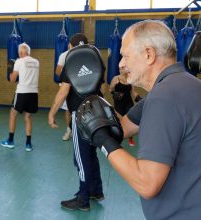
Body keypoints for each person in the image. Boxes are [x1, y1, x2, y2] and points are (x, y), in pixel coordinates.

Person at [79, 20, 201, 219]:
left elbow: (147, 183)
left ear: (149, 54)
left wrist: (103, 141)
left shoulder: (164, 98)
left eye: (125, 55)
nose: (120, 64)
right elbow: (122, 128)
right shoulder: (186, 84)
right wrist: (92, 95)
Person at [48, 33, 104, 211]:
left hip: (80, 114)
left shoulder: (71, 61)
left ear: (71, 46)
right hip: (96, 112)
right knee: (91, 154)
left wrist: (52, 113)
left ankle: (83, 198)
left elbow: (64, 91)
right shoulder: (96, 57)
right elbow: (101, 85)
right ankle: (96, 191)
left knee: (80, 158)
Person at [1, 43, 39, 152]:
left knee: (13, 114)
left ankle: (10, 140)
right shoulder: (36, 62)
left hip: (22, 92)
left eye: (19, 53)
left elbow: (12, 79)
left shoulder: (19, 61)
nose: (19, 54)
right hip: (33, 92)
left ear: (22, 52)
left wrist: (11, 70)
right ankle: (28, 144)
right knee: (27, 117)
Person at [109, 67, 140, 146]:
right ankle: (119, 138)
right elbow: (111, 89)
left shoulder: (130, 79)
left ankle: (130, 138)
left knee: (130, 119)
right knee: (119, 120)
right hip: (119, 102)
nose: (120, 70)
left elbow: (133, 91)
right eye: (119, 69)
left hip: (128, 102)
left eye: (122, 68)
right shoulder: (116, 79)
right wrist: (115, 94)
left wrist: (138, 98)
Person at [55, 43, 72, 141]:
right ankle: (69, 130)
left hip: (79, 87)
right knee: (68, 110)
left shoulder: (83, 54)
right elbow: (57, 71)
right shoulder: (64, 55)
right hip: (66, 86)